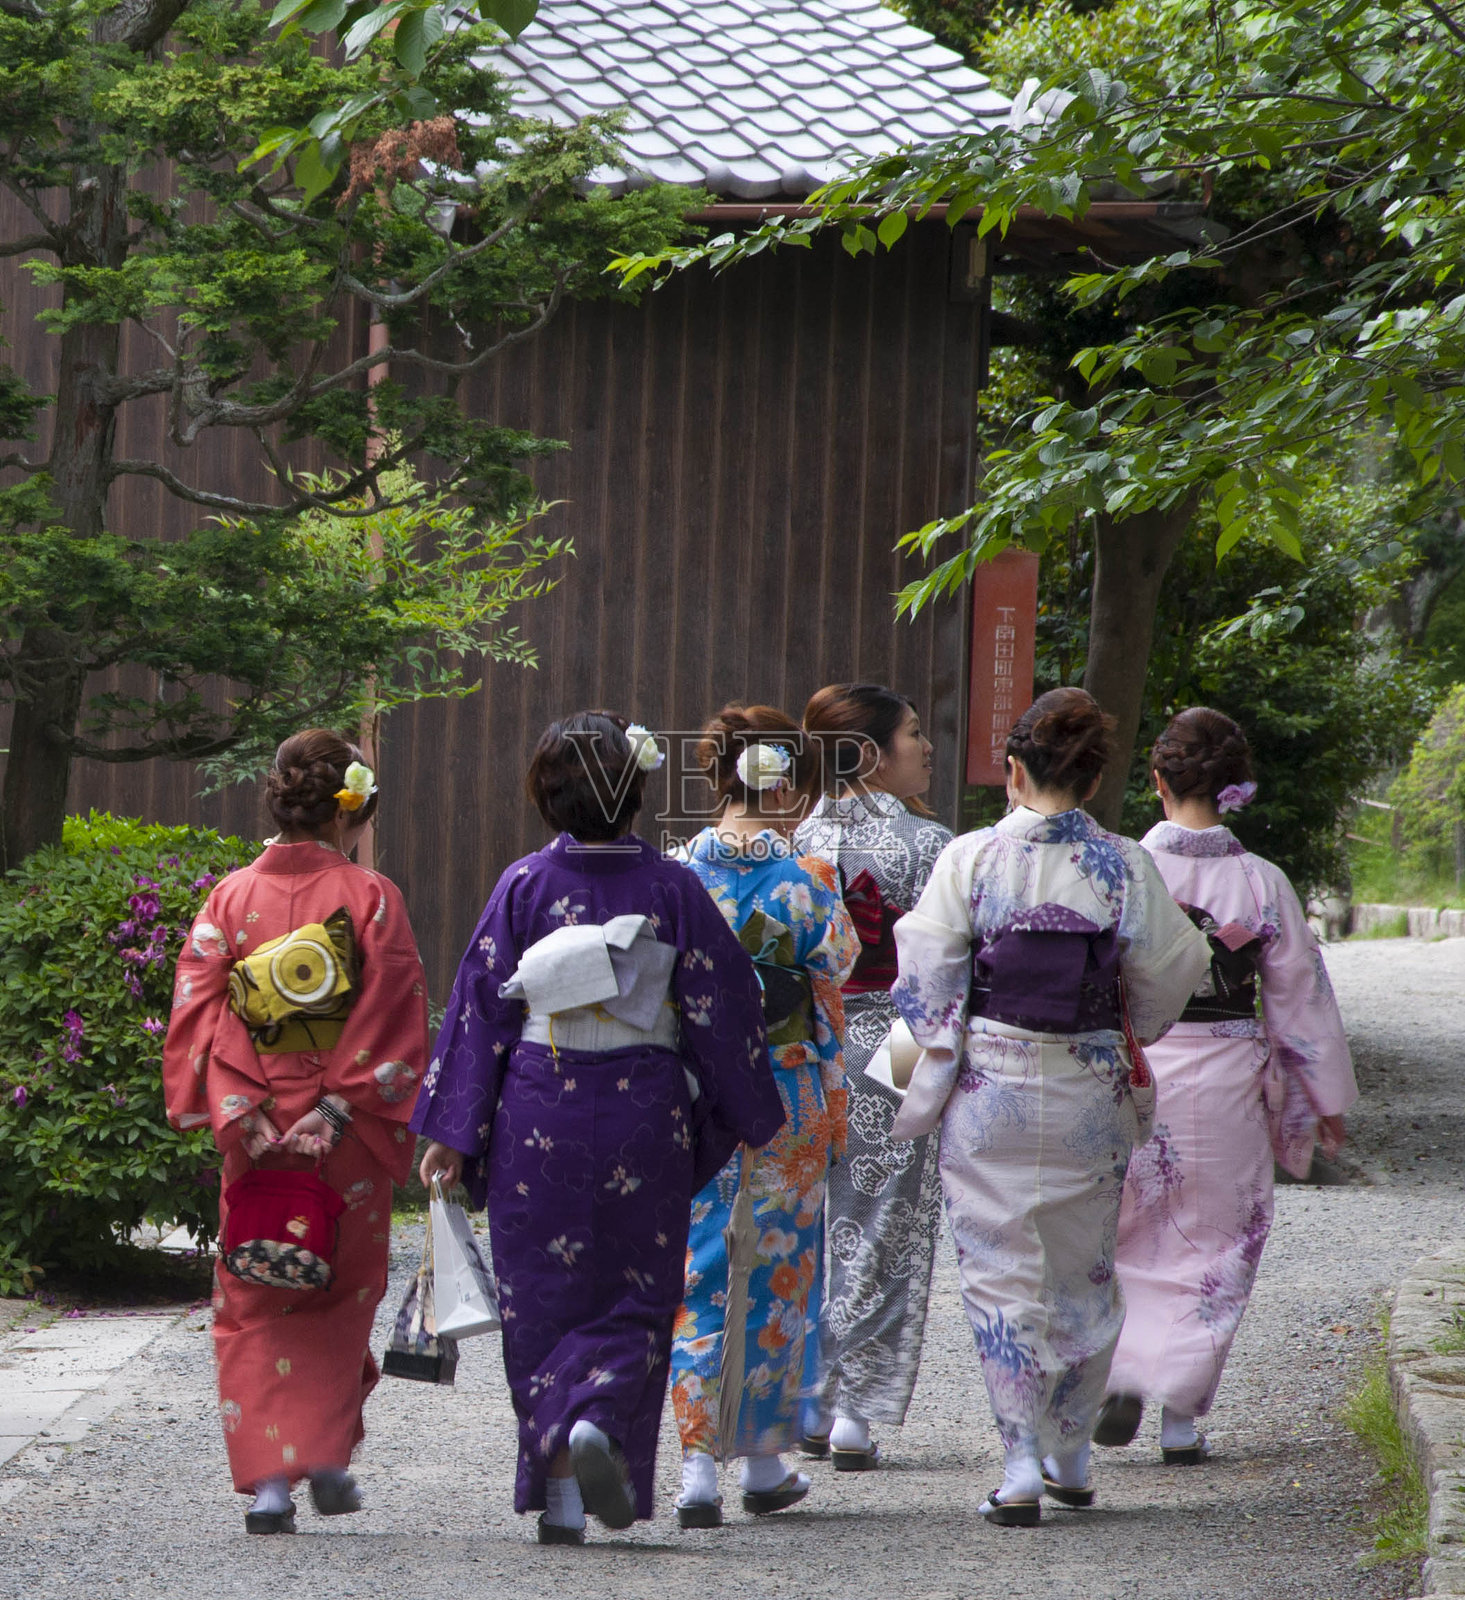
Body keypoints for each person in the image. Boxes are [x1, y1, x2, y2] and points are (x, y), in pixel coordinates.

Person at [411, 711, 784, 1545]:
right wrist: (748, 1109)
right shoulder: (672, 889)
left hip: (536, 1102)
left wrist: (452, 1131)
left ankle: (562, 1498)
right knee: (635, 1290)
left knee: (539, 1299)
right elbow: (721, 1005)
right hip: (640, 1108)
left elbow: (480, 1013)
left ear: (545, 795)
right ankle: (601, 1424)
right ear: (638, 791)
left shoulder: (522, 886)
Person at [888, 688, 1210, 1526]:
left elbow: (925, 978)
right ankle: (1070, 1449)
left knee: (999, 1277)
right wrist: (1114, 1026)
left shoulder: (970, 860)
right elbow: (1172, 970)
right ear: (1096, 777)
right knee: (1084, 1270)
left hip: (990, 1086)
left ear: (1011, 771)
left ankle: (1021, 1464)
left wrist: (950, 1035)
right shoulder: (1122, 864)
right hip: (1087, 1087)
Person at [163, 729, 429, 1535]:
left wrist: (245, 1105)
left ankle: (274, 1484)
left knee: (255, 1291)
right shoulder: (372, 895)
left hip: (257, 1128)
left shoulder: (229, 899)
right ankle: (323, 1456)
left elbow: (200, 1008)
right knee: (339, 1286)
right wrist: (338, 1104)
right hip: (341, 1129)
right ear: (352, 809)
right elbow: (394, 1006)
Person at [1100, 707, 1358, 1463]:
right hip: (1224, 1081)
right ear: (1234, 787)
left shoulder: (1120, 868)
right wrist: (1322, 1102)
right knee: (1219, 1244)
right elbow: (1300, 1004)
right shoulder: (1260, 880)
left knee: (1126, 1233)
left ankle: (1121, 1368)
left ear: (1156, 781)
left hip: (1134, 1074)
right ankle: (1178, 1418)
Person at [669, 705, 858, 1527]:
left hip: (696, 1094)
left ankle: (693, 1474)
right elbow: (835, 973)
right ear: (785, 782)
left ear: (718, 775)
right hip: (785, 1094)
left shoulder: (676, 874)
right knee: (779, 1276)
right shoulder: (806, 878)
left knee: (700, 1270)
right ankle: (763, 1464)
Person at [793, 683, 953, 1469]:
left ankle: (807, 1402)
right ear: (871, 753)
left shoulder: (790, 838)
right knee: (883, 1217)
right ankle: (856, 1411)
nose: (926, 747)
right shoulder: (932, 848)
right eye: (914, 733)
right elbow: (945, 974)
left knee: (813, 1222)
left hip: (807, 1044)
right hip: (894, 1038)